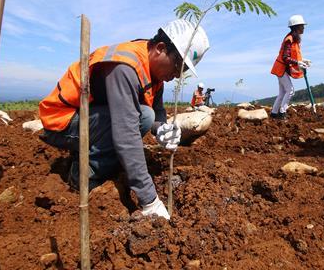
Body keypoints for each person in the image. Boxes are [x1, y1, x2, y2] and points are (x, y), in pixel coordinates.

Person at [38, 19, 210, 220]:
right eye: (177, 65)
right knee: (139, 120)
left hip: (92, 117)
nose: (177, 75)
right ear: (161, 49)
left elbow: (157, 110)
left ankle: (101, 160)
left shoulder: (155, 72)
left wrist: (162, 128)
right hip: (62, 122)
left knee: (147, 116)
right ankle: (84, 177)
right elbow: (126, 135)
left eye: (184, 70)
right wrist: (150, 200)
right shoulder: (125, 67)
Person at [270, 15, 311, 120]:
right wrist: (298, 63)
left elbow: (293, 55)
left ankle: (274, 113)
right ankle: (282, 113)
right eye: (302, 26)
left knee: (283, 92)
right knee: (291, 90)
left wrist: (302, 60)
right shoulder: (289, 39)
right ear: (296, 27)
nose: (303, 28)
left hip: (281, 68)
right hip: (281, 68)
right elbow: (285, 57)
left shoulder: (294, 39)